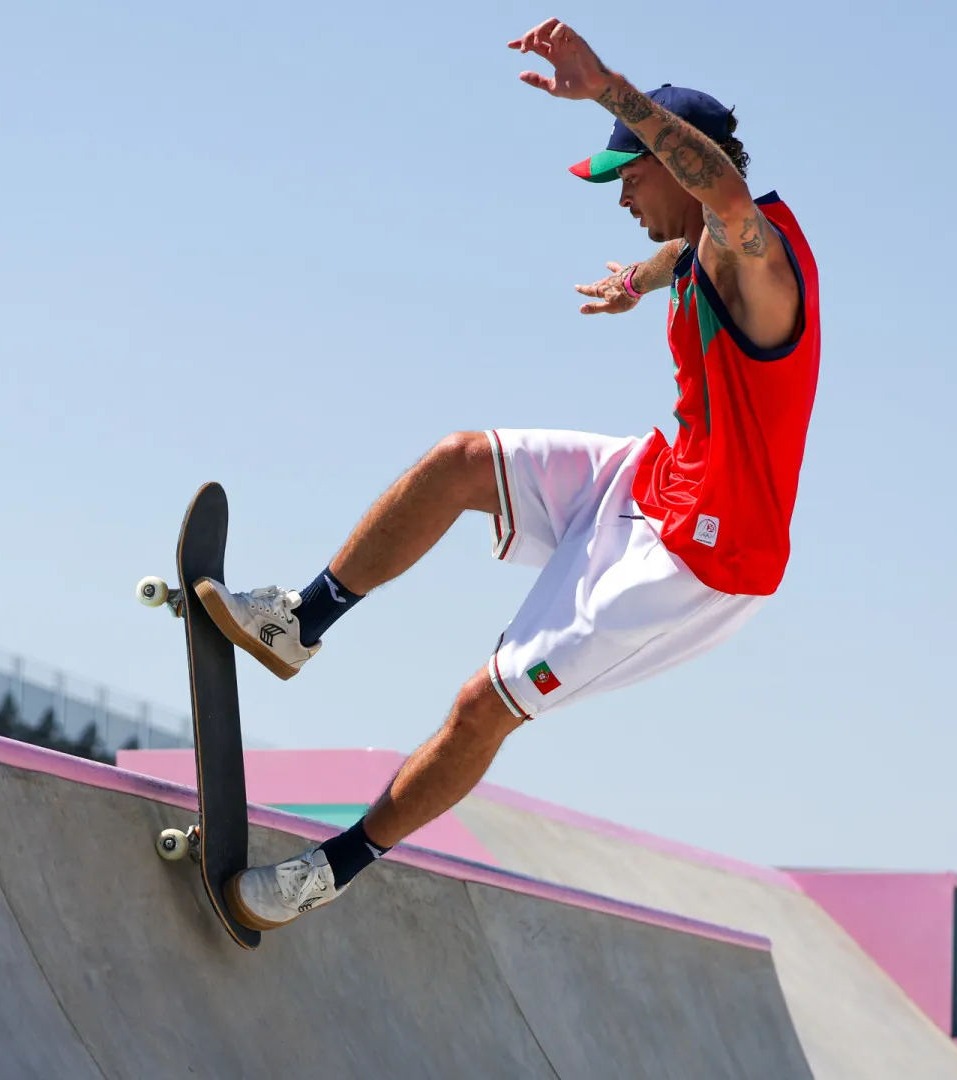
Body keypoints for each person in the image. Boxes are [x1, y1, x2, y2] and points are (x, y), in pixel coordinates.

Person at [198, 18, 820, 933]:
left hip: (701, 562)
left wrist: (606, 86)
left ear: (673, 162)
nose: (620, 197)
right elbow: (684, 248)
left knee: (482, 702)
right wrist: (636, 283)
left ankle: (327, 873)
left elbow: (722, 200)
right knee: (460, 460)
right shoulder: (700, 250)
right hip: (654, 481)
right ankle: (301, 623)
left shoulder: (761, 258)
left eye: (630, 176)